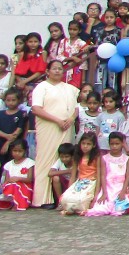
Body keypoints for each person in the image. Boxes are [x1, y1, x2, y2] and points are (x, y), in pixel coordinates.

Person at [30, 60, 80, 209]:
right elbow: (36, 109)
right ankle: (43, 198)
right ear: (47, 71)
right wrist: (57, 120)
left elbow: (77, 108)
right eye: (54, 69)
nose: (58, 71)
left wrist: (70, 119)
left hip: (66, 127)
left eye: (60, 69)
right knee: (46, 159)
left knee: (66, 157)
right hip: (49, 126)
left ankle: (66, 196)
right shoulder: (41, 87)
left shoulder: (71, 88)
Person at [85, 132, 129, 217]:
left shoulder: (126, 158)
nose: (114, 146)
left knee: (118, 208)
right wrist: (104, 193)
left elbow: (127, 176)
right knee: (100, 207)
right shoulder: (105, 158)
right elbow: (103, 175)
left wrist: (123, 191)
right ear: (109, 144)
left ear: (122, 144)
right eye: (112, 144)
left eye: (117, 144)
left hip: (120, 187)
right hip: (108, 187)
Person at [59, 133, 101, 215]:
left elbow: (99, 176)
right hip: (80, 181)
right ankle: (71, 209)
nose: (85, 146)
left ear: (94, 145)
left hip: (92, 182)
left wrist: (96, 196)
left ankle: (81, 210)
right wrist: (69, 189)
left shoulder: (97, 157)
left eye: (88, 144)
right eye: (83, 143)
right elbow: (73, 175)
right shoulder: (77, 155)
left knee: (82, 199)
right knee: (65, 198)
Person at [0, 142, 35, 210]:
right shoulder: (8, 164)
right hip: (11, 186)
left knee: (15, 185)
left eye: (20, 151)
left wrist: (18, 179)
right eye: (15, 151)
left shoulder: (29, 162)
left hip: (25, 187)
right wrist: (2, 185)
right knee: (2, 190)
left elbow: (30, 179)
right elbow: (7, 180)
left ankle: (18, 203)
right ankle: (10, 202)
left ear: (25, 151)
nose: (17, 153)